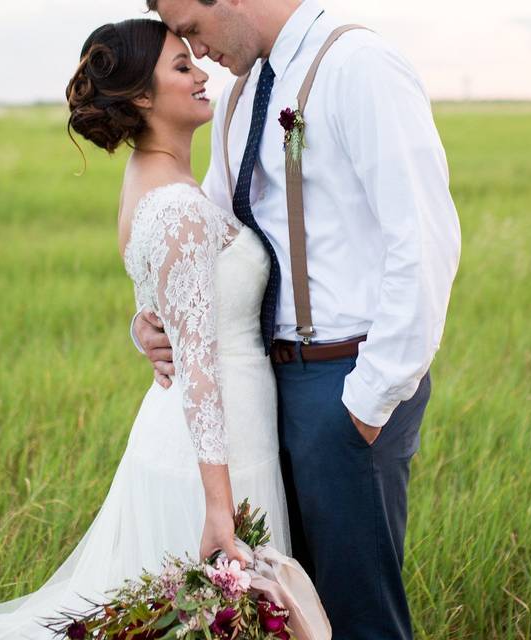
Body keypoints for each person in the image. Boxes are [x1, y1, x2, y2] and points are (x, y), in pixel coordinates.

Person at [0, 19, 304, 639]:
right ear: (142, 97)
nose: (201, 73)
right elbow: (197, 367)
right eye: (180, 67)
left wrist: (141, 326)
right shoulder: (175, 207)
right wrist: (219, 510)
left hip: (209, 432)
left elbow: (166, 303)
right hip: (213, 452)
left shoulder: (152, 182)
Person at [133, 1, 462, 638]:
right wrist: (149, 320)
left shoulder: (358, 66)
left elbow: (422, 241)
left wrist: (365, 404)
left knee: (358, 614)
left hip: (346, 379)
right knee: (293, 616)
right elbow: (208, 237)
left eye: (194, 31)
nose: (198, 55)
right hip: (264, 394)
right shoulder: (238, 98)